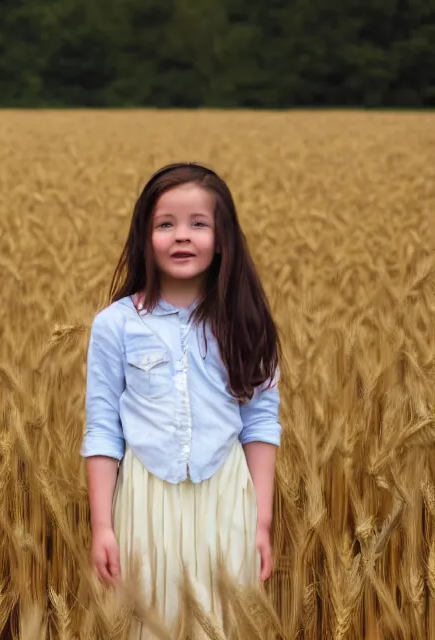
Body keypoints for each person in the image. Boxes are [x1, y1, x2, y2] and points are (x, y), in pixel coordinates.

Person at [80, 162, 282, 636]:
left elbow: (260, 423)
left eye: (199, 224)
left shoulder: (246, 322)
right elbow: (103, 429)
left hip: (228, 496)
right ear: (144, 237)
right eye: (165, 224)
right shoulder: (115, 325)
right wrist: (103, 526)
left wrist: (262, 520)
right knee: (150, 622)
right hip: (146, 501)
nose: (182, 236)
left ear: (223, 238)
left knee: (224, 622)